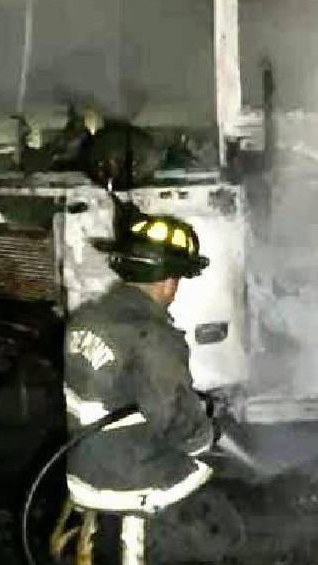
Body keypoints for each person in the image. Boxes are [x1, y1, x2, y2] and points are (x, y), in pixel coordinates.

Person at [64, 210, 244, 563]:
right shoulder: (154, 336)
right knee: (226, 533)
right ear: (168, 282)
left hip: (83, 470)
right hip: (133, 483)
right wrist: (210, 433)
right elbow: (179, 426)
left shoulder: (87, 318)